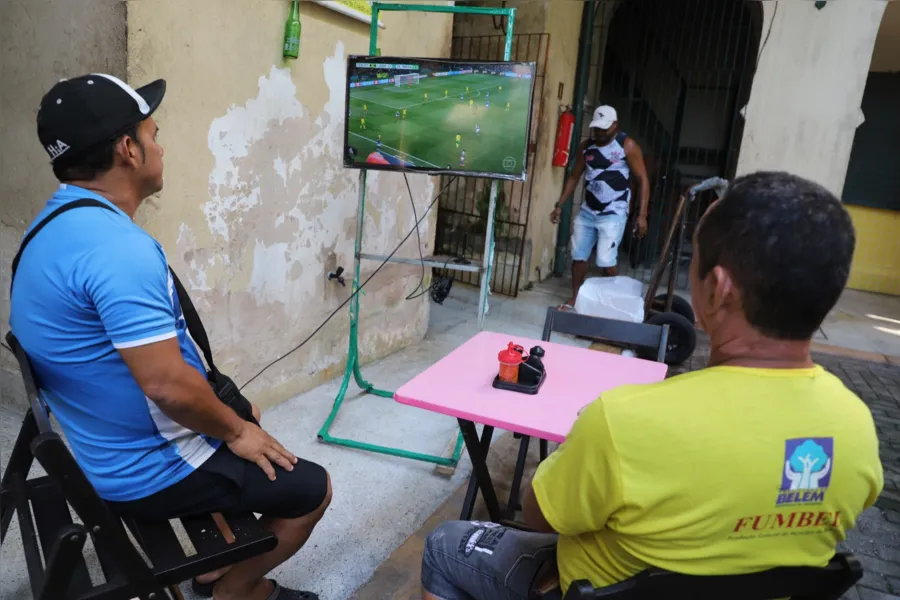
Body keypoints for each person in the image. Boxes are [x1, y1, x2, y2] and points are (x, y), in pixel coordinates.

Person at [421, 171, 884, 600]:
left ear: (718, 290)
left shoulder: (622, 420)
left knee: (445, 545)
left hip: (585, 583)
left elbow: (540, 513)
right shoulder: (857, 431)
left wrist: (579, 445)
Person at [9, 74, 331, 600]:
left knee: (243, 412)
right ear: (128, 149)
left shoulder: (53, 222)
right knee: (312, 489)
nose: (161, 145)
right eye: (153, 133)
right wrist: (235, 432)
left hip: (98, 444)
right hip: (142, 470)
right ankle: (236, 593)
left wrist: (234, 420)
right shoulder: (118, 251)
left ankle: (210, 569)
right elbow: (168, 389)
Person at [550, 106, 650, 311]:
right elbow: (574, 176)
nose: (600, 133)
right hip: (588, 211)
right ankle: (577, 298)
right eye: (597, 129)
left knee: (606, 260)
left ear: (615, 125)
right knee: (578, 255)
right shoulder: (586, 148)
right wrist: (560, 204)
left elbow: (643, 180)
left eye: (604, 129)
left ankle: (612, 302)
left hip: (613, 211)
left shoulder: (627, 146)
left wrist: (642, 215)